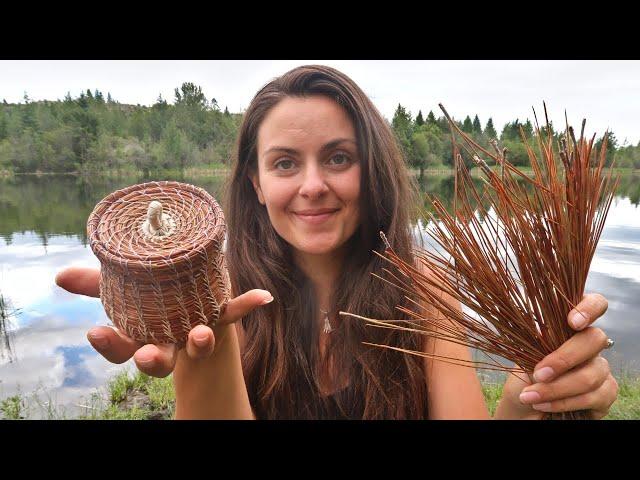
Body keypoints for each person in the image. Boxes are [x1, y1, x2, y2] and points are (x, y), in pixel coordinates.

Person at [55, 65, 618, 419]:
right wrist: (208, 343)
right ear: (256, 183)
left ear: (371, 170)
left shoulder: (427, 289)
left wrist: (527, 402)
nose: (313, 186)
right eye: (284, 163)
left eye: (338, 158)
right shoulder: (216, 299)